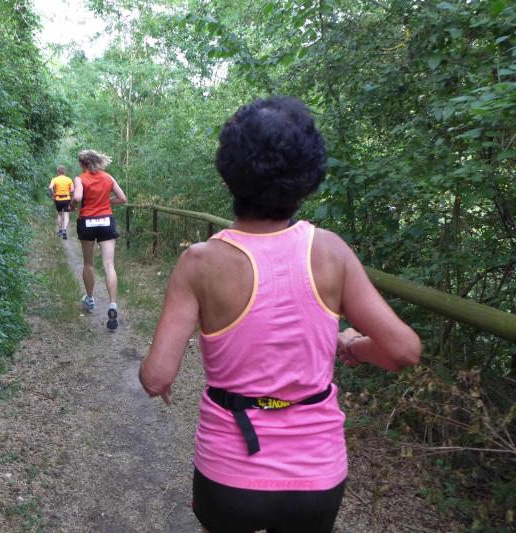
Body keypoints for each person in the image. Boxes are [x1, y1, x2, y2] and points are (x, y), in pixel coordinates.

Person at [138, 96, 421, 533]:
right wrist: (353, 346)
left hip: (229, 475)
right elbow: (403, 350)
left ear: (228, 174)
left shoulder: (200, 262)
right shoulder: (330, 252)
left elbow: (156, 377)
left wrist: (158, 375)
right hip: (316, 475)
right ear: (307, 180)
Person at [70, 150, 127, 330]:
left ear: (82, 164)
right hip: (106, 221)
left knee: (88, 263)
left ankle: (90, 299)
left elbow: (77, 197)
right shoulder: (108, 177)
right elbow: (123, 198)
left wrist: (72, 205)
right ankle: (113, 305)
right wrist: (107, 203)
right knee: (109, 264)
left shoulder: (80, 178)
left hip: (87, 221)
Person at [49, 166, 74, 239]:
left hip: (58, 199)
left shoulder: (55, 179)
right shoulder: (69, 179)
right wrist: (69, 194)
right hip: (67, 199)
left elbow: (50, 187)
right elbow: (72, 190)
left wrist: (52, 194)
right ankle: (64, 230)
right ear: (64, 172)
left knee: (59, 214)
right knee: (66, 215)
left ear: (58, 172)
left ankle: (60, 230)